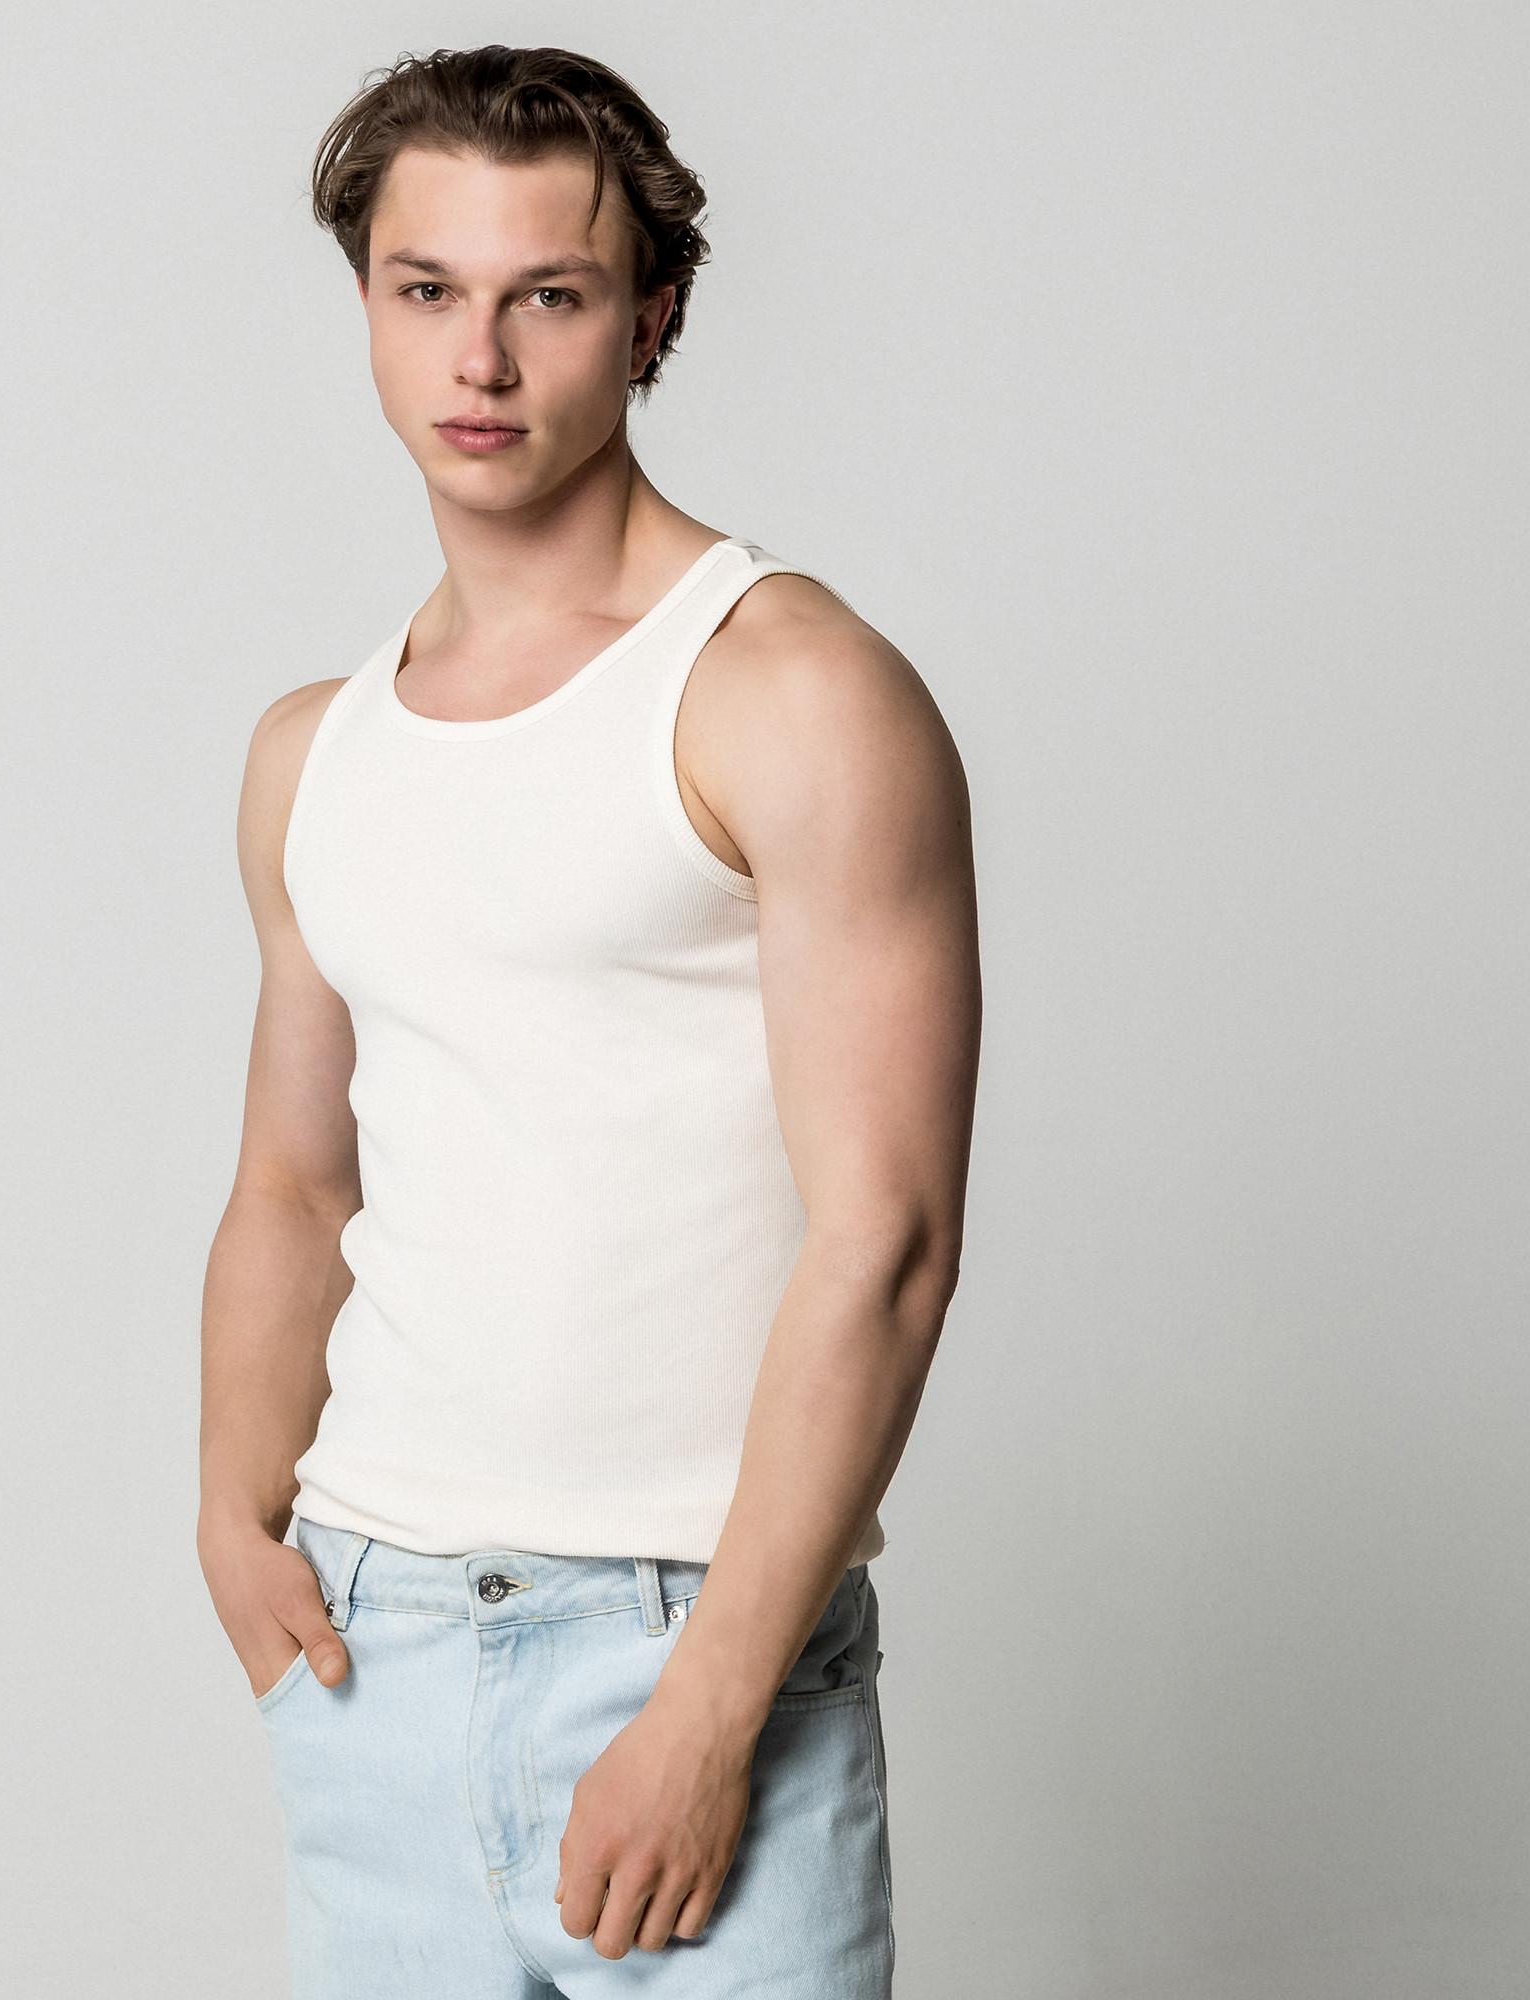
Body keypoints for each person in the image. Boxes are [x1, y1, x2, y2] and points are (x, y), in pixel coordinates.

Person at [198, 42, 980, 1999]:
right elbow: (294, 1181)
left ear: (649, 316)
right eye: (425, 289)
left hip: (691, 1641)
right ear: (366, 304)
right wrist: (229, 1512)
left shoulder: (786, 690)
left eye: (545, 295)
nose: (478, 358)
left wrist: (711, 1711)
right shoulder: (312, 750)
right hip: (372, 1648)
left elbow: (885, 1241)